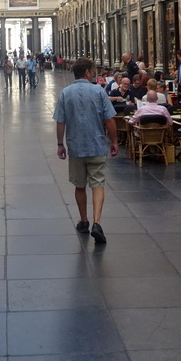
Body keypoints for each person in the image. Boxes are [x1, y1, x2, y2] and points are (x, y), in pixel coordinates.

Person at [53, 57, 118, 244]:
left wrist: (60, 144)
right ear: (88, 73)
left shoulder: (65, 93)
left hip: (76, 147)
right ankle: (97, 222)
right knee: (98, 184)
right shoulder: (98, 91)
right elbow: (110, 119)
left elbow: (60, 121)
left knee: (79, 185)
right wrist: (114, 141)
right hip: (97, 145)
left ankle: (84, 221)